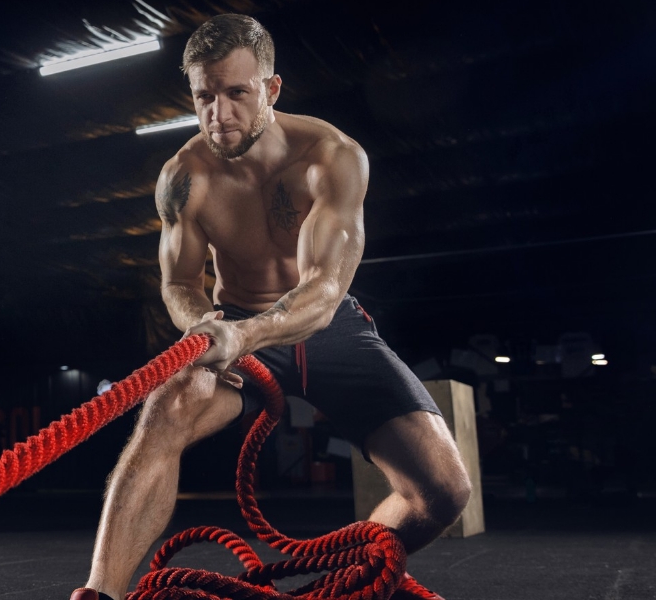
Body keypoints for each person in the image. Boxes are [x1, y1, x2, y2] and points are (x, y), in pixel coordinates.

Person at [70, 14, 471, 600]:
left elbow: (324, 291)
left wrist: (246, 334)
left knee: (443, 491)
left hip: (326, 328)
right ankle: (99, 593)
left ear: (272, 88)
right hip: (232, 327)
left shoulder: (331, 156)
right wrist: (199, 325)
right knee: (164, 411)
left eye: (237, 93)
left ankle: (336, 585)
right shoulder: (183, 177)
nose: (219, 114)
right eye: (205, 97)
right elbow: (180, 282)